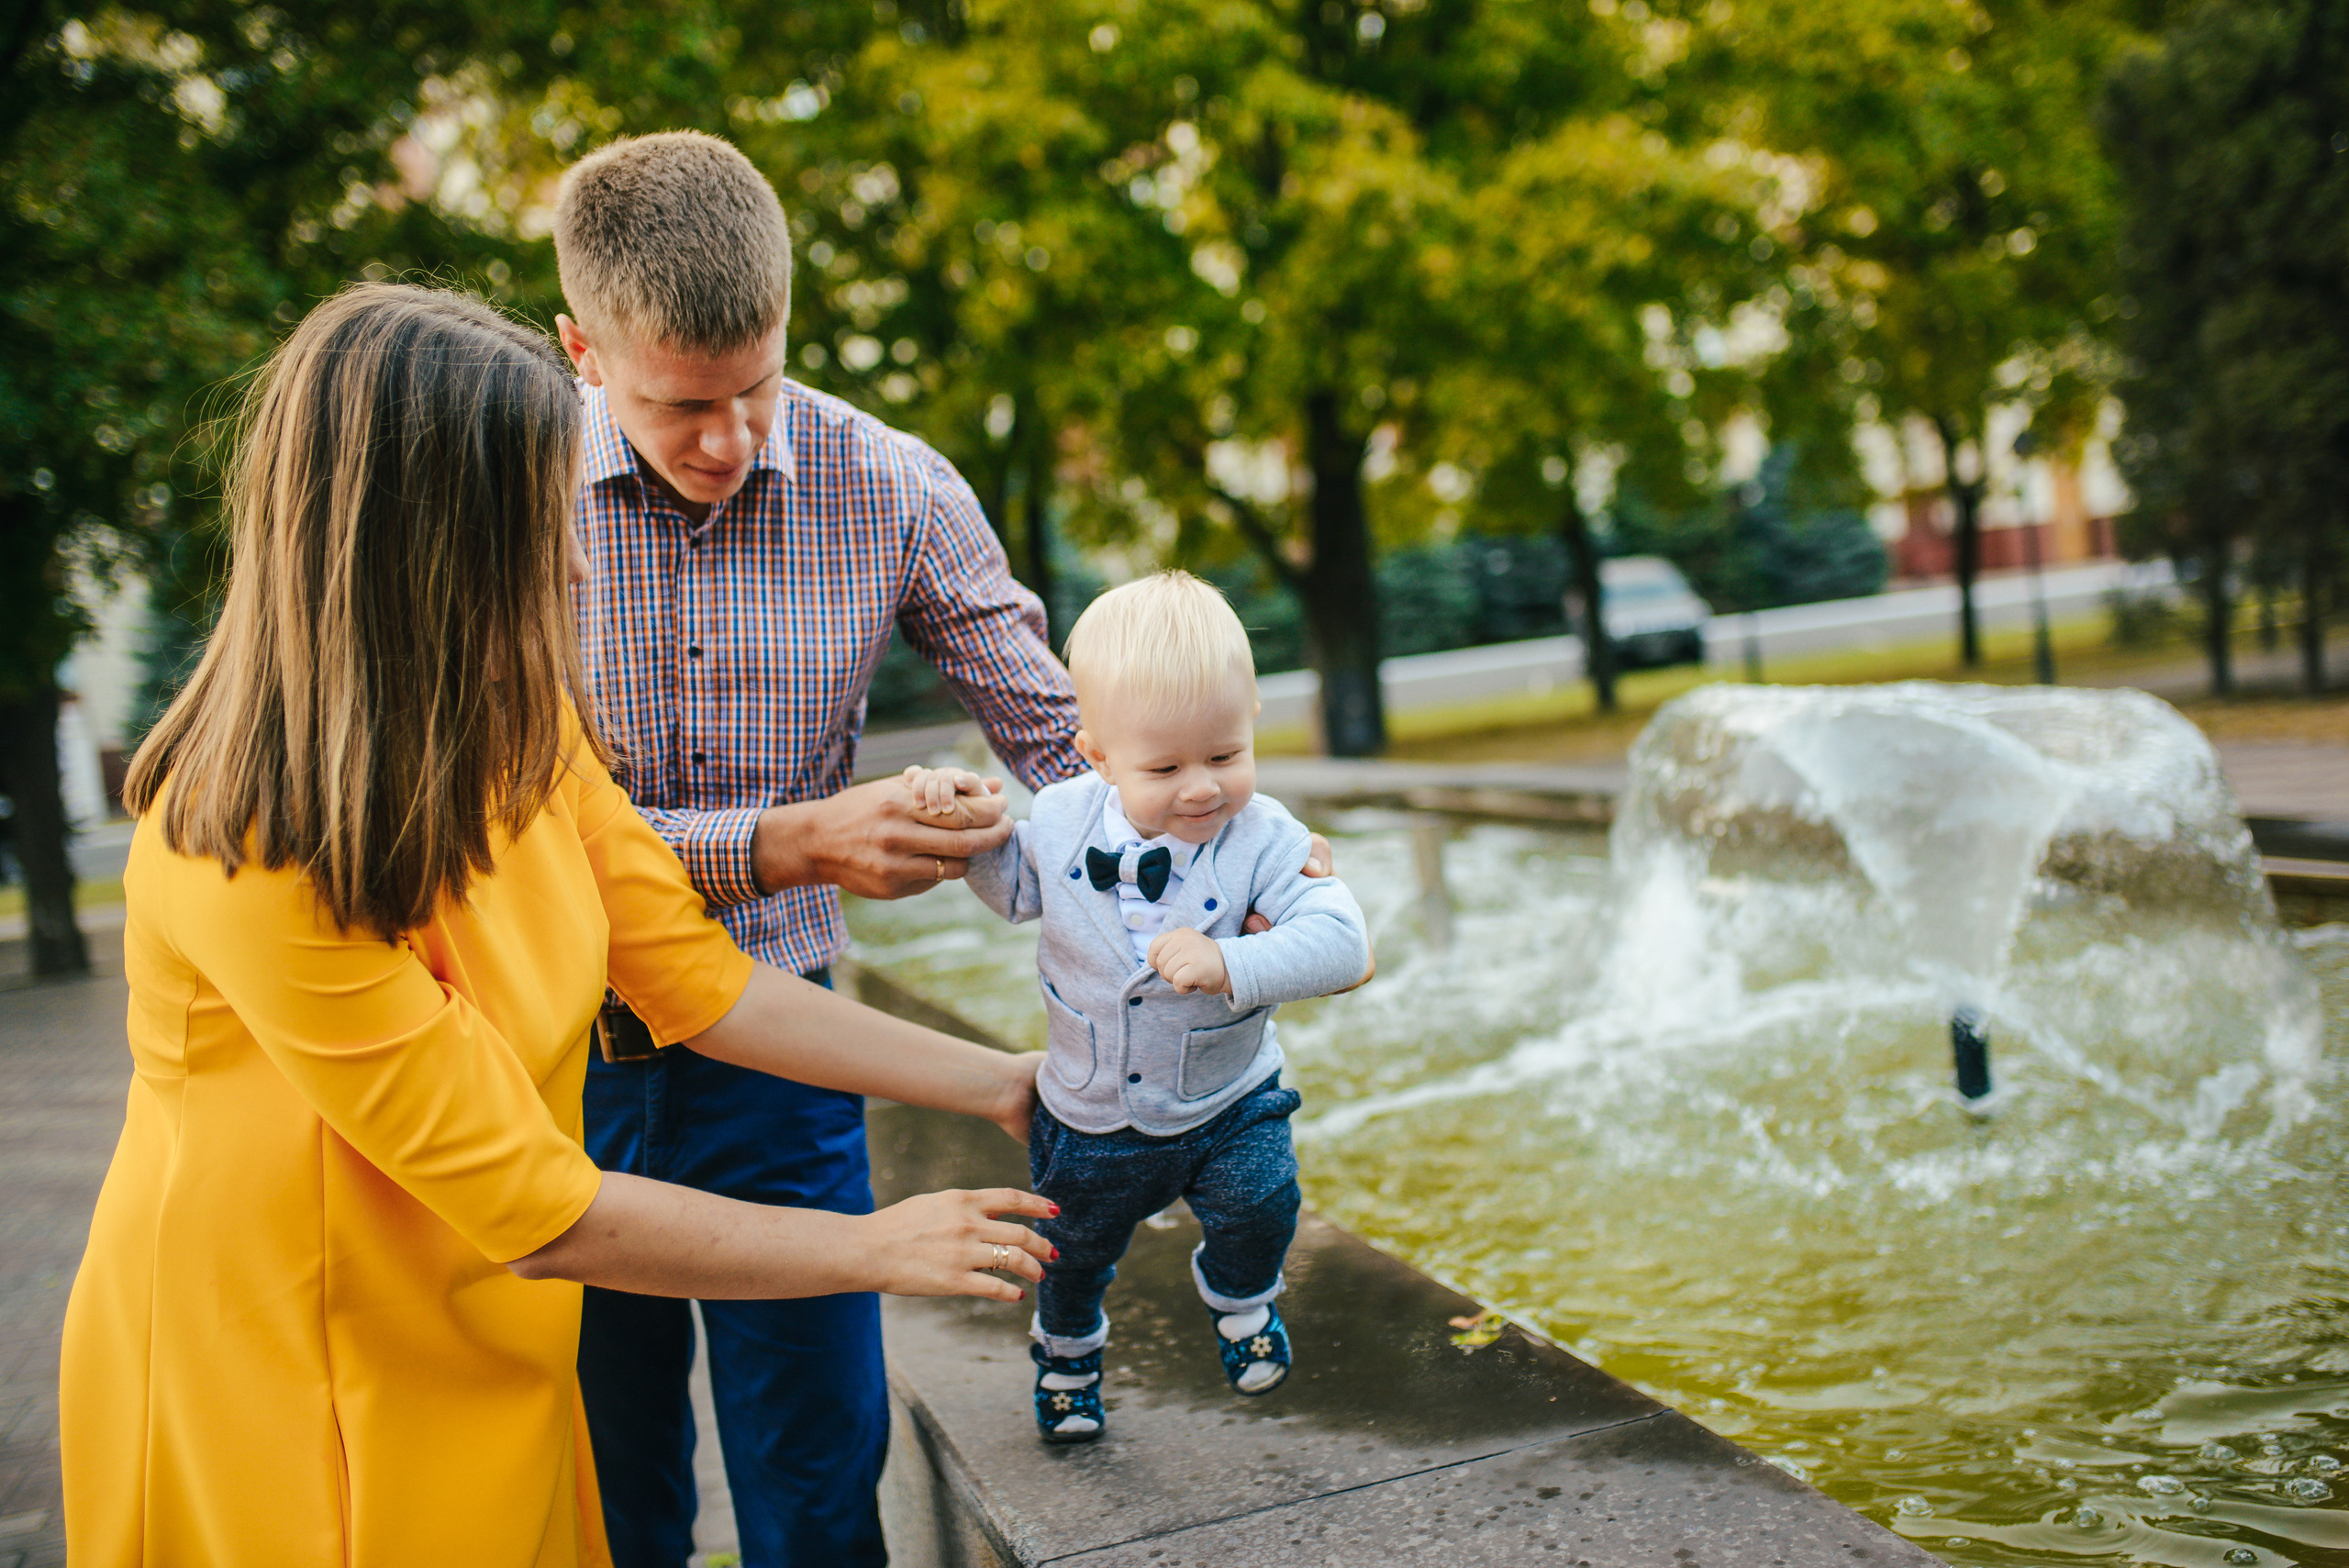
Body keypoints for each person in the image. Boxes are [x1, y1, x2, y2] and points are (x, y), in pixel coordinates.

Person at [57, 284, 1057, 1568]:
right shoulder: (242, 844)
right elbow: (541, 1212)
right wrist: (873, 1246)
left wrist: (1010, 1087)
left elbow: (698, 982)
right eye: (542, 524)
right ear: (429, 556)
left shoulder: (525, 738)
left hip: (483, 1341)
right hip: (297, 1382)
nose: (580, 557)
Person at [549, 129, 1087, 1566]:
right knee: (603, 1505)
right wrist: (790, 842)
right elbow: (516, 833)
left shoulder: (890, 482)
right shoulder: (500, 501)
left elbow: (1066, 748)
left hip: (780, 1074)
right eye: (682, 406)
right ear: (582, 351)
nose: (729, 440)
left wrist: (1243, 853)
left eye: (757, 387)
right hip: (533, 1067)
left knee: (817, 1505)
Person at [906, 572, 1370, 1441]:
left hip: (1228, 1099)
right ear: (1097, 755)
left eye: (1226, 755)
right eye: (1165, 767)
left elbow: (1343, 943)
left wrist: (1233, 958)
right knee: (1072, 1252)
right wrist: (962, 825)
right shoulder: (1062, 819)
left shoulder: (1268, 837)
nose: (1202, 788)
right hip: (1089, 1109)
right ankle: (1068, 1359)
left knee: (1263, 1203)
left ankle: (1241, 1301)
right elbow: (1009, 887)